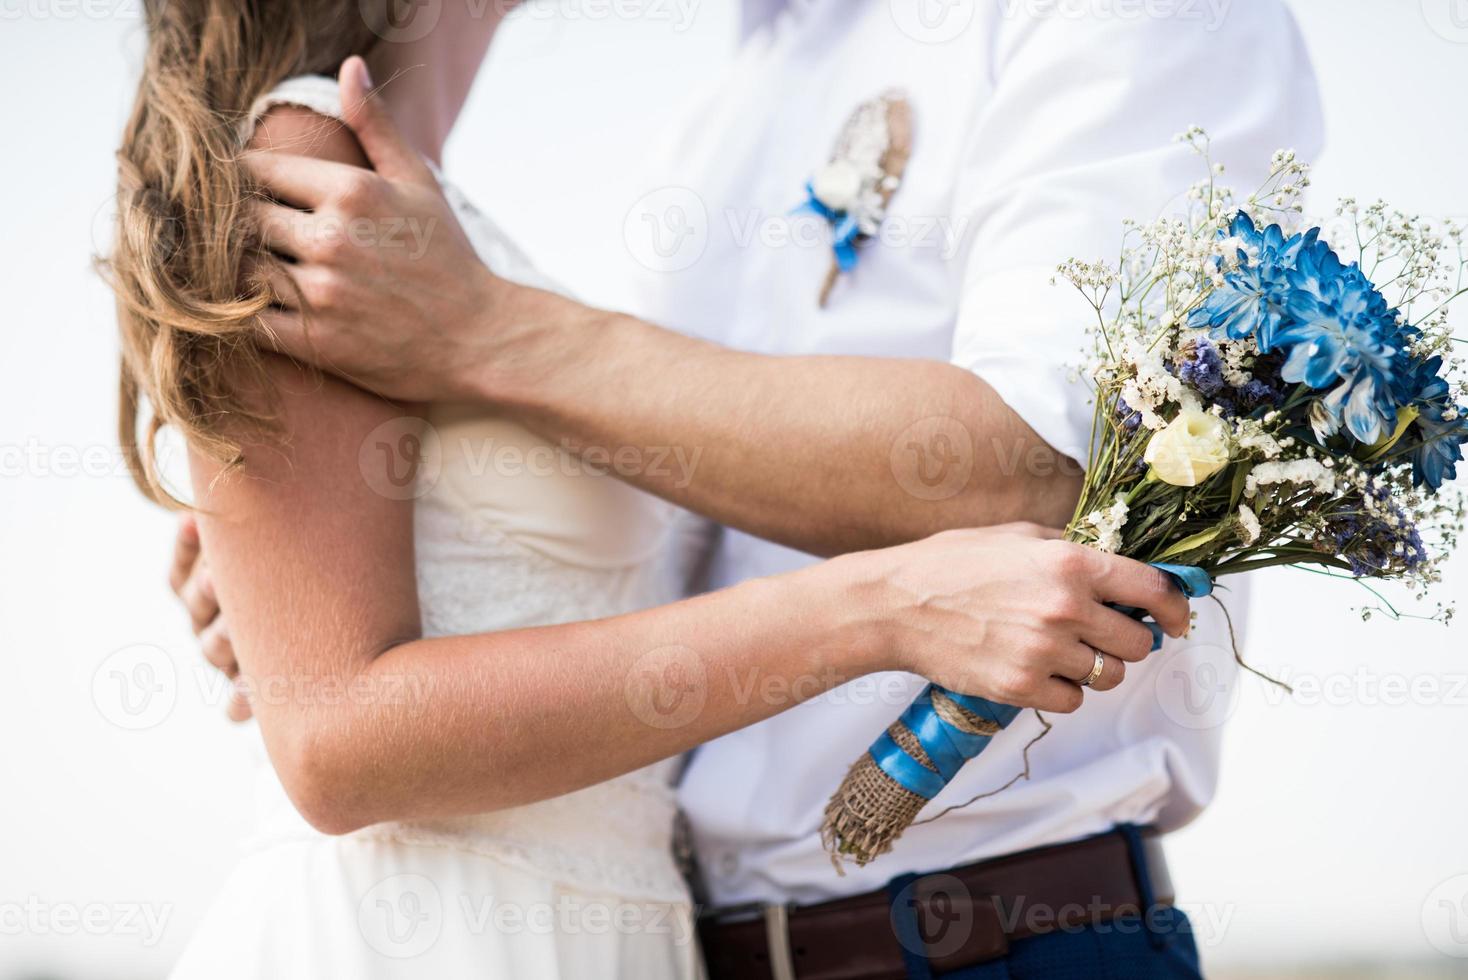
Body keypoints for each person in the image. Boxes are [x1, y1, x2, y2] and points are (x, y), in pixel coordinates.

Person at [119, 2, 1199, 977]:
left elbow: (1053, 456)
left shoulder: (449, 233)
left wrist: (389, 507)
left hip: (714, 929)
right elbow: (337, 739)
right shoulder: (314, 175)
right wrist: (881, 604)